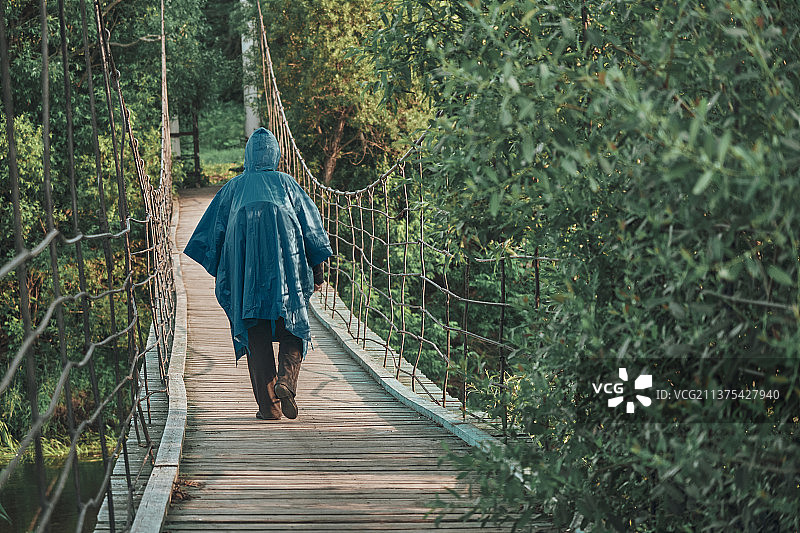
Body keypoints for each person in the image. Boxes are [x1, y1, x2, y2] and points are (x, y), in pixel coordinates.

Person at [183, 127, 333, 420]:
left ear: (248, 155)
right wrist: (317, 273)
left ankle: (270, 409)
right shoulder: (288, 185)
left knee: (256, 334)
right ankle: (286, 381)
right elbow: (313, 232)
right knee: (292, 325)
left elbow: (208, 237)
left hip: (246, 277)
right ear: (275, 155)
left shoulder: (233, 188)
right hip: (286, 274)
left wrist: (228, 273)